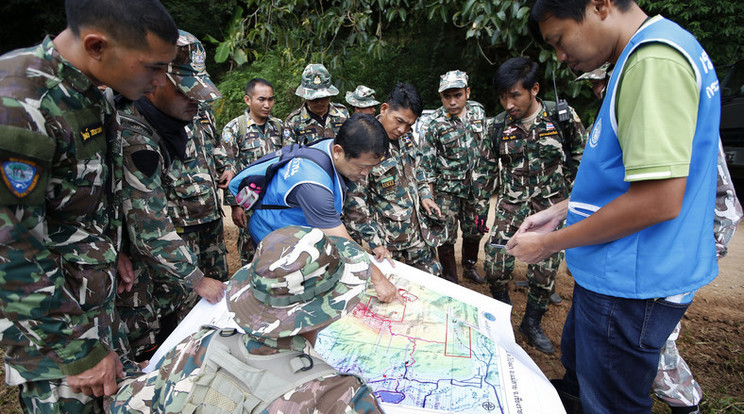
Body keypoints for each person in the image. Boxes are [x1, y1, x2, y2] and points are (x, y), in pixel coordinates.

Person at [511, 0, 722, 411]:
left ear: (601, 5)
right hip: (620, 275)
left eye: (559, 40)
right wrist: (561, 211)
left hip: (631, 282)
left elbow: (657, 201)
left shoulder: (653, 62)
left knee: (610, 402)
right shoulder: (653, 52)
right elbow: (634, 175)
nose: (560, 56)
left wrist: (549, 245)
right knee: (584, 380)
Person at [0, 0, 178, 411]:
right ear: (97, 45)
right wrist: (76, 349)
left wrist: (111, 251)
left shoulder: (86, 91)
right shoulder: (21, 102)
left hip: (94, 309)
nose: (161, 82)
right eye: (153, 67)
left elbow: (74, 201)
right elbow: (11, 247)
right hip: (57, 338)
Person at [109, 225, 385, 413]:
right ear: (331, 306)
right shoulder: (339, 396)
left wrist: (128, 370)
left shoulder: (199, 345)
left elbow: (132, 401)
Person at [116, 30, 227, 361]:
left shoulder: (178, 119)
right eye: (184, 91)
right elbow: (146, 223)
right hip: (150, 265)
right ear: (156, 80)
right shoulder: (135, 134)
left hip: (193, 233)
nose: (194, 99)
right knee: (165, 340)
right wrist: (195, 278)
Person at [231, 113, 399, 303]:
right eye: (362, 166)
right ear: (338, 151)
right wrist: (378, 279)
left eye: (371, 167)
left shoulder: (329, 147)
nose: (365, 174)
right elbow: (340, 240)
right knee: (288, 298)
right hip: (274, 237)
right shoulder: (313, 185)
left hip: (297, 229)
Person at [483, 57, 587, 355]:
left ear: (534, 89)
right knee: (495, 265)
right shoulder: (498, 126)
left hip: (550, 209)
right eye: (502, 97)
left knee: (544, 273)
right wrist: (479, 213)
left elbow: (582, 163)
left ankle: (531, 322)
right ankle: (502, 315)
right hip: (510, 207)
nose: (508, 104)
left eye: (514, 95)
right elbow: (486, 169)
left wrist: (573, 206)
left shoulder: (561, 118)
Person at [344, 83, 444, 276]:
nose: (402, 129)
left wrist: (425, 195)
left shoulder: (406, 138)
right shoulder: (365, 142)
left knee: (431, 280)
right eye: (399, 121)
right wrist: (375, 243)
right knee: (394, 292)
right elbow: (355, 202)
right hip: (388, 242)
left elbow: (419, 168)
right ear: (384, 109)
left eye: (409, 125)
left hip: (418, 233)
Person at [420, 70, 487, 284]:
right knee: (445, 234)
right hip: (446, 191)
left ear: (467, 92)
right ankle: (450, 278)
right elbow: (426, 163)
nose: (452, 101)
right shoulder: (433, 123)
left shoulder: (478, 112)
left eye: (457, 95)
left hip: (474, 189)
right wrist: (429, 196)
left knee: (474, 230)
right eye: (446, 96)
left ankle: (469, 266)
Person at [222, 78, 283, 265]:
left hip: (276, 202)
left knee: (280, 251)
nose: (267, 105)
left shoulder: (279, 127)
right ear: (248, 100)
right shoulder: (234, 129)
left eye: (271, 99)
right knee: (251, 256)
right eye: (262, 99)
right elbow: (226, 168)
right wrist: (234, 205)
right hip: (248, 203)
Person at [283, 63, 349, 146]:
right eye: (314, 99)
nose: (319, 102)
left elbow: (351, 144)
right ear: (305, 97)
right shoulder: (293, 121)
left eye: (324, 98)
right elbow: (289, 153)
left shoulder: (342, 113)